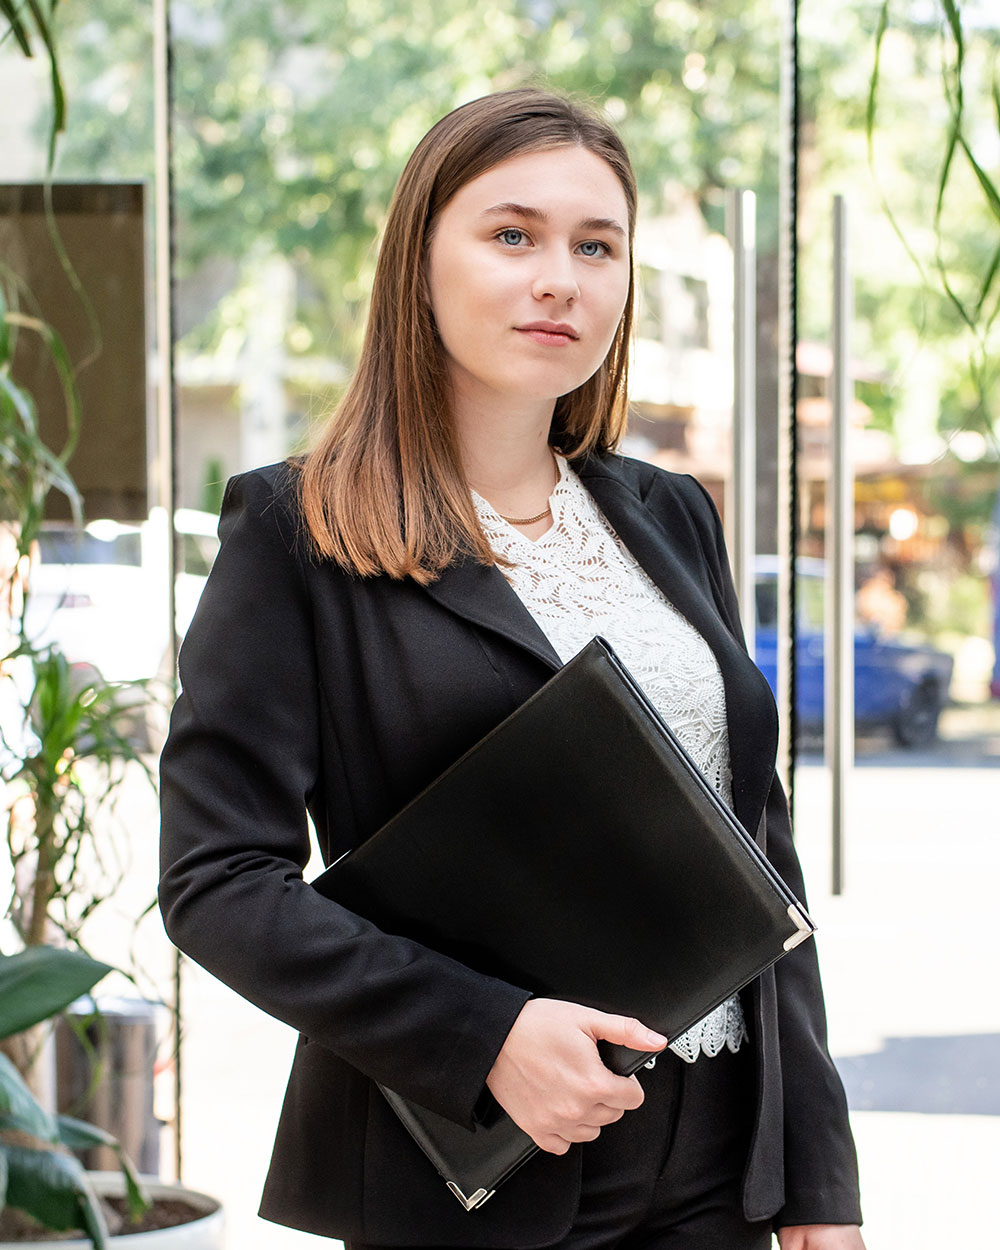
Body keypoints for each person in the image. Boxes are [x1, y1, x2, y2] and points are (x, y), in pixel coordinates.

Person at [159, 89, 865, 1250]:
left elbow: (758, 861)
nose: (561, 279)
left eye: (596, 246)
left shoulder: (671, 513)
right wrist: (484, 1031)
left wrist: (819, 1177)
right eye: (511, 235)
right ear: (418, 262)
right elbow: (218, 879)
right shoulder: (298, 527)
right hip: (479, 1161)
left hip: (718, 1157)